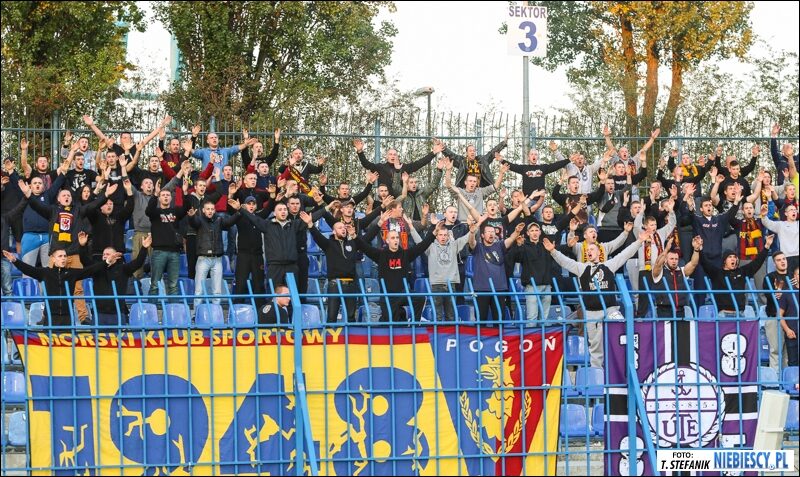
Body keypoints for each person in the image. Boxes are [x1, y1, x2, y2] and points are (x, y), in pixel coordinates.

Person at [543, 230, 652, 368]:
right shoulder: (581, 268)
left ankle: (623, 367)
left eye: (592, 249)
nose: (589, 251)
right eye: (587, 250)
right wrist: (553, 251)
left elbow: (625, 255)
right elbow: (566, 262)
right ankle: (598, 375)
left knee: (620, 326)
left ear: (599, 252)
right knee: (595, 348)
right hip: (591, 313)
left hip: (610, 310)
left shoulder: (609, 265)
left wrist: (639, 241)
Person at [3, 235, 108, 326]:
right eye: (60, 256)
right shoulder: (45, 273)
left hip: (67, 318)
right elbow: (29, 270)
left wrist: (106, 262)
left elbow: (90, 270)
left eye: (65, 256)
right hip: (50, 318)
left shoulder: (72, 273)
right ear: (53, 259)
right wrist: (15, 260)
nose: (63, 258)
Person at [355, 214, 437, 322]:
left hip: (402, 293)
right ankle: (402, 313)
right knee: (391, 320)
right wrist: (354, 236)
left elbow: (421, 246)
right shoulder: (380, 255)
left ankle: (415, 323)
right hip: (387, 296)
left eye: (397, 237)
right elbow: (364, 247)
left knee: (420, 298)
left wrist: (433, 234)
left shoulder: (406, 254)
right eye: (393, 238)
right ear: (387, 240)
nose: (396, 240)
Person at [405, 214, 474, 321]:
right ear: (436, 235)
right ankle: (439, 337)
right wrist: (411, 227)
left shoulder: (454, 245)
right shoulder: (430, 247)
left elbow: (467, 237)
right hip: (436, 284)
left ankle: (450, 336)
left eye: (445, 235)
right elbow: (419, 241)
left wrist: (474, 228)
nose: (443, 237)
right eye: (440, 234)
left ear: (448, 236)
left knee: (451, 315)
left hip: (451, 284)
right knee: (438, 315)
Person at [79, 235, 151, 328]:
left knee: (119, 342)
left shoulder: (123, 269)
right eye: (104, 254)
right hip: (99, 314)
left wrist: (144, 248)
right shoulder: (97, 269)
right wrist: (82, 246)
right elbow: (85, 261)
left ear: (116, 256)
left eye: (108, 254)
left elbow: (138, 263)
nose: (105, 256)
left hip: (118, 314)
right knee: (97, 341)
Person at [303, 212, 361, 323]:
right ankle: (330, 339)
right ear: (334, 231)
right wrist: (310, 224)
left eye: (344, 228)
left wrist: (355, 235)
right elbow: (317, 236)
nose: (343, 229)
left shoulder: (352, 243)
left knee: (351, 317)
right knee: (331, 316)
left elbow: (365, 241)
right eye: (340, 228)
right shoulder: (328, 244)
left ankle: (351, 339)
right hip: (335, 284)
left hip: (351, 284)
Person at [702, 234, 774, 316]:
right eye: (730, 257)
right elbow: (705, 263)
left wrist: (767, 246)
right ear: (724, 261)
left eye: (735, 257)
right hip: (723, 314)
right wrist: (699, 250)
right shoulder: (717, 273)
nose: (733, 259)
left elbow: (757, 263)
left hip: (740, 314)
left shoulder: (742, 272)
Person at [468, 221, 526, 323]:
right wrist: (472, 233)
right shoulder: (478, 247)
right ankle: (480, 339)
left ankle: (499, 339)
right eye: (488, 232)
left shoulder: (500, 245)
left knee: (499, 320)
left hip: (499, 289)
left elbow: (511, 239)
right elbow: (471, 243)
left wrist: (517, 232)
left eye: (493, 232)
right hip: (481, 290)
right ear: (482, 235)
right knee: (481, 321)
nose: (491, 234)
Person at [240, 202, 307, 290]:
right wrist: (240, 209)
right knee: (274, 296)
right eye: (280, 210)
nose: (283, 212)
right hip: (274, 267)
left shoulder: (294, 225)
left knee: (292, 297)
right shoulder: (267, 225)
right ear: (274, 213)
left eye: (285, 209)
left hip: (291, 267)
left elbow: (311, 218)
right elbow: (254, 219)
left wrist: (326, 208)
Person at [188, 201, 239, 307]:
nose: (210, 211)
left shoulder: (219, 220)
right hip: (203, 259)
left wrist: (238, 212)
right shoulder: (199, 220)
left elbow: (229, 222)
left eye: (212, 209)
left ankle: (216, 315)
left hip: (217, 259)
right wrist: (192, 216)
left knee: (217, 291)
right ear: (203, 210)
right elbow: (194, 223)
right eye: (208, 209)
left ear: (215, 210)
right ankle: (195, 315)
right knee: (199, 291)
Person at [355, 138, 441, 197]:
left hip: (401, 199)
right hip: (384, 199)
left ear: (398, 156)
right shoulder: (380, 167)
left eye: (395, 154)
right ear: (386, 156)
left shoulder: (403, 167)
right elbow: (366, 164)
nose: (393, 156)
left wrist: (433, 153)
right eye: (390, 154)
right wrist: (360, 151)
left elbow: (419, 163)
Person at [145, 189, 188, 298]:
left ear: (171, 198)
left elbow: (187, 207)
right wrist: (154, 195)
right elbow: (148, 210)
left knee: (173, 285)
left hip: (175, 253)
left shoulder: (176, 211)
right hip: (159, 252)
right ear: (159, 198)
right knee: (154, 284)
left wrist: (185, 192)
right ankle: (152, 312)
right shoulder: (155, 213)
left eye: (168, 195)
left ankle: (173, 312)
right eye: (163, 195)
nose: (165, 197)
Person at [646, 236, 702, 318]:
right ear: (666, 260)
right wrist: (666, 250)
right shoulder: (659, 272)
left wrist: (696, 250)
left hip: (680, 311)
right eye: (671, 259)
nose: (674, 261)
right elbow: (658, 264)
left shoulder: (682, 271)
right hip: (664, 311)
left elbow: (693, 264)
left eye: (676, 259)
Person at [501, 141, 570, 196]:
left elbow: (556, 165)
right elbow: (512, 166)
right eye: (532, 154)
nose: (534, 156)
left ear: (538, 157)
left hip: (540, 200)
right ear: (528, 157)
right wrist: (501, 160)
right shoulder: (524, 168)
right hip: (527, 199)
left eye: (536, 154)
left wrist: (568, 160)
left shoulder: (543, 168)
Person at [443, 136, 508, 188]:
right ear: (467, 153)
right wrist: (443, 148)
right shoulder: (462, 161)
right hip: (465, 190)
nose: (472, 152)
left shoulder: (481, 160)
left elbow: (492, 153)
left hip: (479, 189)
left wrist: (503, 143)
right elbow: (452, 156)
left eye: (474, 151)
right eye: (470, 151)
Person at [778, 265, 799, 366]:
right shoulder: (787, 292)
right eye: (798, 274)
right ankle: (794, 382)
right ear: (794, 276)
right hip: (792, 333)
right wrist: (787, 330)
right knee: (793, 362)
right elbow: (780, 314)